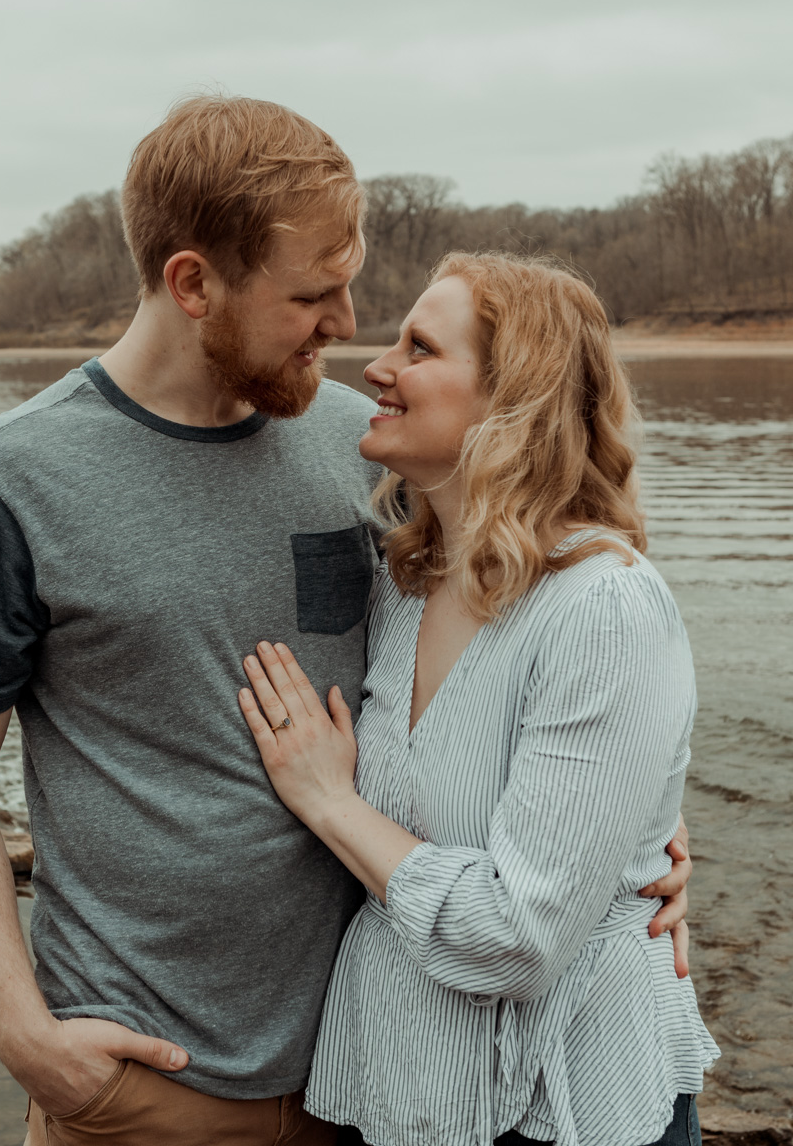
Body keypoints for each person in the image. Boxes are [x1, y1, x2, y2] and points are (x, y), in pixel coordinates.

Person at [0, 97, 694, 1146]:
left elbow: (538, 654)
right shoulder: (6, 485)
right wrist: (19, 1029)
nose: (347, 324)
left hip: (368, 1077)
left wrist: (643, 839)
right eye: (312, 294)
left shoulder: (368, 447)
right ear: (193, 284)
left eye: (351, 284)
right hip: (149, 1080)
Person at [236, 252, 718, 1146]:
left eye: (419, 347)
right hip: (399, 1096)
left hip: (564, 1109)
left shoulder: (602, 605)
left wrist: (331, 802)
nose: (376, 366)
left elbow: (522, 936)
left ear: (512, 401)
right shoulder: (402, 584)